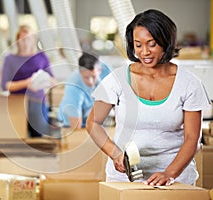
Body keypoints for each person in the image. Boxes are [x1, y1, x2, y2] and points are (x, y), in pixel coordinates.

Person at [86, 9, 211, 186]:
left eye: (152, 44)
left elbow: (192, 139)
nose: (144, 52)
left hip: (175, 179)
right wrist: (114, 153)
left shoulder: (189, 83)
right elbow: (93, 123)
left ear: (166, 42)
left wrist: (169, 173)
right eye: (138, 45)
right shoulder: (118, 79)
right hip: (125, 179)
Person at [1, 25, 55, 137]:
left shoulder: (41, 57)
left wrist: (44, 81)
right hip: (17, 103)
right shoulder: (10, 59)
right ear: (17, 41)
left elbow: (52, 80)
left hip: (38, 103)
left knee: (38, 137)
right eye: (23, 40)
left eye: (29, 39)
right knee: (18, 136)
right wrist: (26, 83)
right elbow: (5, 85)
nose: (26, 43)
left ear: (34, 40)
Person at [57, 52, 111, 129]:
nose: (90, 82)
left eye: (93, 76)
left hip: (93, 117)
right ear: (80, 72)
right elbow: (76, 126)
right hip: (71, 122)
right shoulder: (73, 85)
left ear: (99, 70)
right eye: (86, 77)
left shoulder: (106, 71)